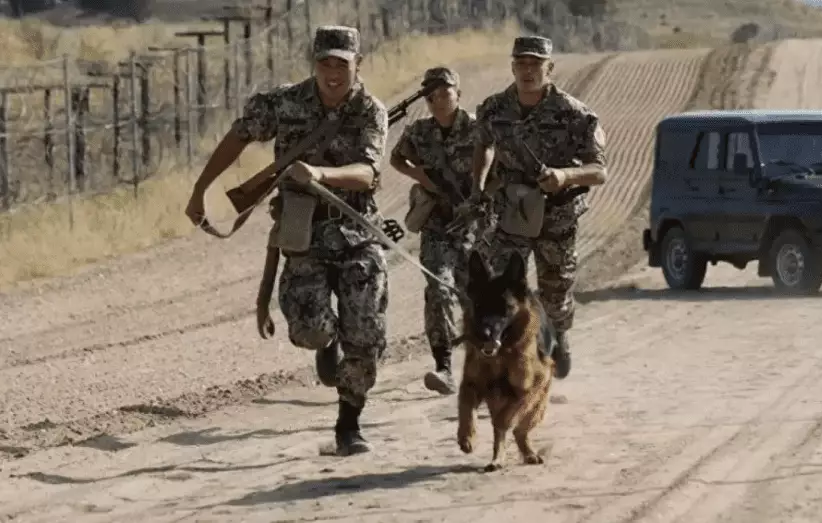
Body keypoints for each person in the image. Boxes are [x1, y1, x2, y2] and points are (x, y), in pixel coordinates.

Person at [183, 25, 390, 457]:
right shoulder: (285, 102)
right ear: (314, 63)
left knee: (365, 332)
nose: (333, 73)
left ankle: (348, 425)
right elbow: (240, 135)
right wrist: (201, 189)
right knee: (310, 330)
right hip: (302, 232)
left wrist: (321, 174)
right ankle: (326, 345)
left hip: (356, 232)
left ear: (358, 65)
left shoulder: (371, 110)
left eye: (342, 64)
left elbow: (369, 172)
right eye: (324, 63)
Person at [468, 35, 608, 380]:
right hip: (510, 213)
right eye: (522, 63)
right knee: (502, 290)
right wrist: (478, 185)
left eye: (536, 64)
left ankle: (558, 335)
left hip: (556, 215)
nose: (528, 71)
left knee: (555, 293)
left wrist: (565, 175)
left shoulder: (575, 114)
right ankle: (506, 357)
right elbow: (484, 145)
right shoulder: (493, 109)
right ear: (513, 67)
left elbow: (599, 171)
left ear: (550, 68)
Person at [389, 66, 478, 396]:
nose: (439, 101)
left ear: (458, 94)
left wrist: (479, 197)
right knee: (439, 289)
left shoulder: (478, 129)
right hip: (437, 227)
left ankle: (489, 367)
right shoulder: (419, 132)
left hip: (475, 228)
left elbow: (500, 168)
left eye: (445, 93)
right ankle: (444, 366)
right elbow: (397, 159)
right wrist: (422, 179)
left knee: (477, 298)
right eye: (432, 96)